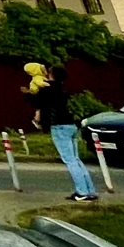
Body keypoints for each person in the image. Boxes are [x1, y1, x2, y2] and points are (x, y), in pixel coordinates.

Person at [26, 62, 95, 201]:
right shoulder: (62, 88)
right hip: (71, 125)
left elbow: (35, 102)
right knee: (76, 159)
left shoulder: (47, 89)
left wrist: (27, 93)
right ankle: (90, 191)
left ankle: (82, 192)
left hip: (59, 126)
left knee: (69, 160)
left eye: (48, 71)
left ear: (51, 74)